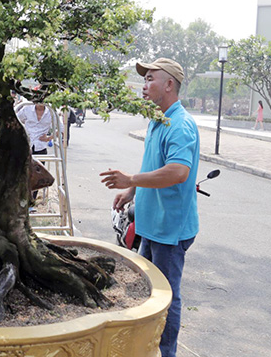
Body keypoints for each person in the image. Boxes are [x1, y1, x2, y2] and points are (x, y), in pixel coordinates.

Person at [99, 58, 199, 357]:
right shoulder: (158, 119)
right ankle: (145, 346)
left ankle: (166, 353)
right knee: (146, 288)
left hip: (170, 228)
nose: (144, 85)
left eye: (150, 79)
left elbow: (178, 171)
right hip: (151, 223)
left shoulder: (180, 124)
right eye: (144, 79)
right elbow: (154, 165)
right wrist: (132, 190)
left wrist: (130, 178)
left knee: (167, 295)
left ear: (169, 84)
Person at [17, 103, 54, 203]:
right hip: (26, 146)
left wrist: (49, 138)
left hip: (40, 147)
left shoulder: (51, 111)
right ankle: (21, 200)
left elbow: (61, 128)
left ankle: (31, 202)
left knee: (37, 176)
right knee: (22, 174)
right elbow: (16, 119)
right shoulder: (27, 108)